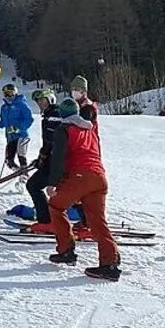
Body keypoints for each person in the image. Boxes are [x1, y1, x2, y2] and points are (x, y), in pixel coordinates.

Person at [43, 97, 120, 281]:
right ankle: (110, 264)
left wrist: (53, 183)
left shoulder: (64, 129)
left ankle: (66, 250)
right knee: (97, 222)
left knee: (55, 206)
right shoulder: (90, 129)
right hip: (99, 177)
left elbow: (59, 158)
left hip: (80, 175)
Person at [22, 88, 61, 233]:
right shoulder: (48, 116)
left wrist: (44, 156)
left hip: (56, 162)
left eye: (42, 100)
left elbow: (53, 142)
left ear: (50, 99)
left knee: (34, 185)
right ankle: (47, 219)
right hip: (51, 161)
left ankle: (46, 220)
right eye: (38, 101)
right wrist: (41, 158)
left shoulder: (54, 116)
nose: (40, 103)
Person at [68, 75, 99, 230]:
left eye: (78, 90)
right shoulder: (76, 105)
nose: (75, 92)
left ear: (84, 91)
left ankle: (89, 221)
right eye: (73, 89)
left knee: (82, 187)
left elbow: (85, 125)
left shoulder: (88, 108)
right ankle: (85, 219)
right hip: (77, 149)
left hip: (87, 149)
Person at [0, 83, 34, 175]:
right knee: (8, 160)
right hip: (10, 137)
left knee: (21, 154)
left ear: (15, 93)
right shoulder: (4, 108)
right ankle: (20, 173)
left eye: (10, 94)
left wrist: (18, 128)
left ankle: (24, 172)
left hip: (21, 135)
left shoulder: (21, 104)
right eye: (5, 94)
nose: (8, 96)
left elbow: (29, 119)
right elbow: (3, 123)